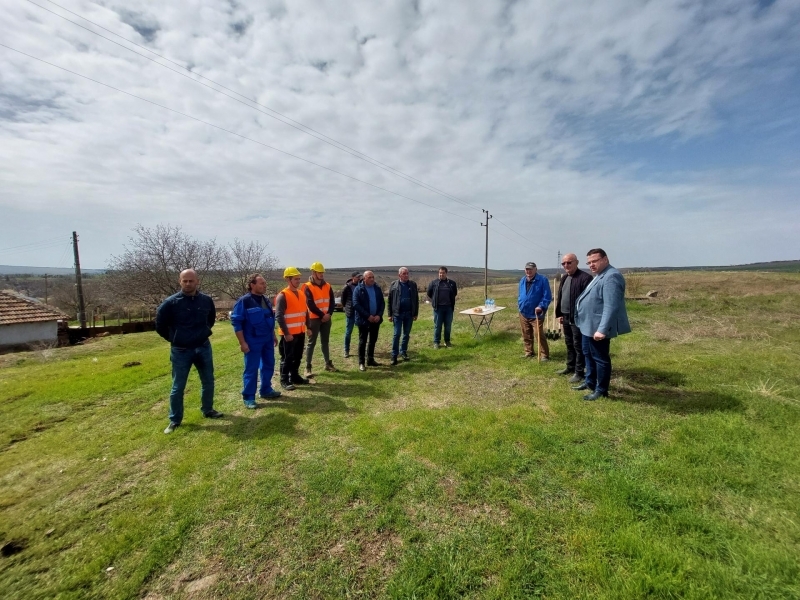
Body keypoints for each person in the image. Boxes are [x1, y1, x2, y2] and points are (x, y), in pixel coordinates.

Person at [155, 268, 223, 434]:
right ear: (180, 282)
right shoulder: (171, 303)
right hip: (181, 350)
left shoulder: (206, 300)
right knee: (178, 386)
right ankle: (175, 420)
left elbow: (211, 320)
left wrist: (204, 332)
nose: (188, 283)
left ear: (197, 281)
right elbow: (159, 325)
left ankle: (208, 409)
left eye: (191, 280)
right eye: (184, 281)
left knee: (208, 381)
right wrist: (175, 339)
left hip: (203, 346)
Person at [574, 248, 631, 401]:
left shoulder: (611, 277)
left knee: (600, 358)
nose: (591, 265)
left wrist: (602, 329)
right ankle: (590, 382)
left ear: (605, 259)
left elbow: (611, 306)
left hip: (597, 328)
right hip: (588, 326)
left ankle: (601, 390)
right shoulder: (600, 275)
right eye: (589, 262)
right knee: (588, 354)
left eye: (595, 261)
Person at [231, 273, 281, 409]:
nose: (264, 286)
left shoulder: (266, 299)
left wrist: (273, 335)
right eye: (261, 283)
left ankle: (266, 390)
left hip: (267, 339)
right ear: (252, 285)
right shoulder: (244, 301)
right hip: (252, 340)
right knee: (251, 369)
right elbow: (237, 323)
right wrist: (242, 343)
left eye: (265, 283)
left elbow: (269, 319)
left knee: (269, 364)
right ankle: (248, 397)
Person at [554, 254, 593, 383]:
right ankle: (570, 367)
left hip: (578, 318)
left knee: (578, 345)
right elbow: (561, 297)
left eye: (569, 262)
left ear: (577, 262)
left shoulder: (585, 278)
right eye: (563, 263)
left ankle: (579, 371)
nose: (566, 265)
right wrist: (560, 314)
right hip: (565, 316)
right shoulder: (565, 277)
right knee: (569, 343)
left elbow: (587, 301)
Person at [275, 267, 309, 390]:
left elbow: (305, 312)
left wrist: (308, 327)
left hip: (300, 332)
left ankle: (294, 376)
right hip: (289, 334)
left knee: (298, 356)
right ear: (288, 279)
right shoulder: (282, 296)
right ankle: (284, 379)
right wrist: (286, 333)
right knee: (287, 357)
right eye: (295, 279)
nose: (298, 281)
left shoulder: (301, 293)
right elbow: (279, 316)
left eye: (299, 278)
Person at [302, 262, 337, 378]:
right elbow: (310, 304)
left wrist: (329, 314)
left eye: (322, 272)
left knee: (325, 341)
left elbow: (332, 302)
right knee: (311, 343)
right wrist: (323, 315)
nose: (321, 274)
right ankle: (308, 368)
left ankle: (328, 363)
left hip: (326, 318)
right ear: (313, 272)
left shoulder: (328, 285)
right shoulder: (307, 286)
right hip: (314, 319)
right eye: (319, 272)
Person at [517, 262, 552, 361]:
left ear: (536, 269)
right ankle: (529, 352)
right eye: (527, 269)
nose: (529, 271)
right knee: (526, 333)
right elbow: (520, 294)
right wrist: (520, 303)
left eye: (531, 269)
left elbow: (547, 296)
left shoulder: (542, 280)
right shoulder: (522, 280)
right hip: (523, 312)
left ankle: (544, 355)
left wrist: (541, 306)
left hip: (537, 313)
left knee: (538, 334)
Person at [352, 270, 385, 371]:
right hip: (364, 320)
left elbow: (382, 303)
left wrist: (379, 315)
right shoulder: (359, 289)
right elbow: (356, 304)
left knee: (373, 340)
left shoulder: (377, 288)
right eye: (369, 277)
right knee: (363, 341)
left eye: (373, 277)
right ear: (364, 278)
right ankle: (361, 362)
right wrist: (368, 316)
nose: (372, 279)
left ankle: (370, 359)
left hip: (376, 320)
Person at [387, 267, 419, 365]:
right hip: (397, 314)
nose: (406, 275)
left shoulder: (412, 284)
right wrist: (389, 314)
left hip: (409, 314)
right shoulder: (394, 284)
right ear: (399, 275)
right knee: (397, 334)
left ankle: (403, 352)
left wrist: (415, 313)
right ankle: (394, 355)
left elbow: (416, 300)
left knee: (406, 334)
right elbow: (389, 300)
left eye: (407, 273)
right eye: (404, 274)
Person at [426, 266, 458, 349]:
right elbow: (429, 293)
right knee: (438, 326)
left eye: (443, 273)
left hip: (448, 308)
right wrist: (435, 300)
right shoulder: (434, 283)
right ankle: (436, 342)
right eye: (440, 273)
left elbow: (454, 293)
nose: (441, 274)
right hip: (438, 308)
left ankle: (447, 341)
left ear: (446, 273)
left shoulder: (451, 283)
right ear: (438, 273)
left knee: (448, 326)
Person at [339, 271, 361, 358]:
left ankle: (361, 349)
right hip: (351, 313)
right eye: (357, 277)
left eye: (360, 277)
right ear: (353, 278)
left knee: (362, 332)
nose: (359, 278)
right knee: (348, 332)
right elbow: (343, 300)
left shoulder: (361, 286)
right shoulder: (347, 287)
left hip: (360, 313)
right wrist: (347, 308)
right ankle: (346, 350)